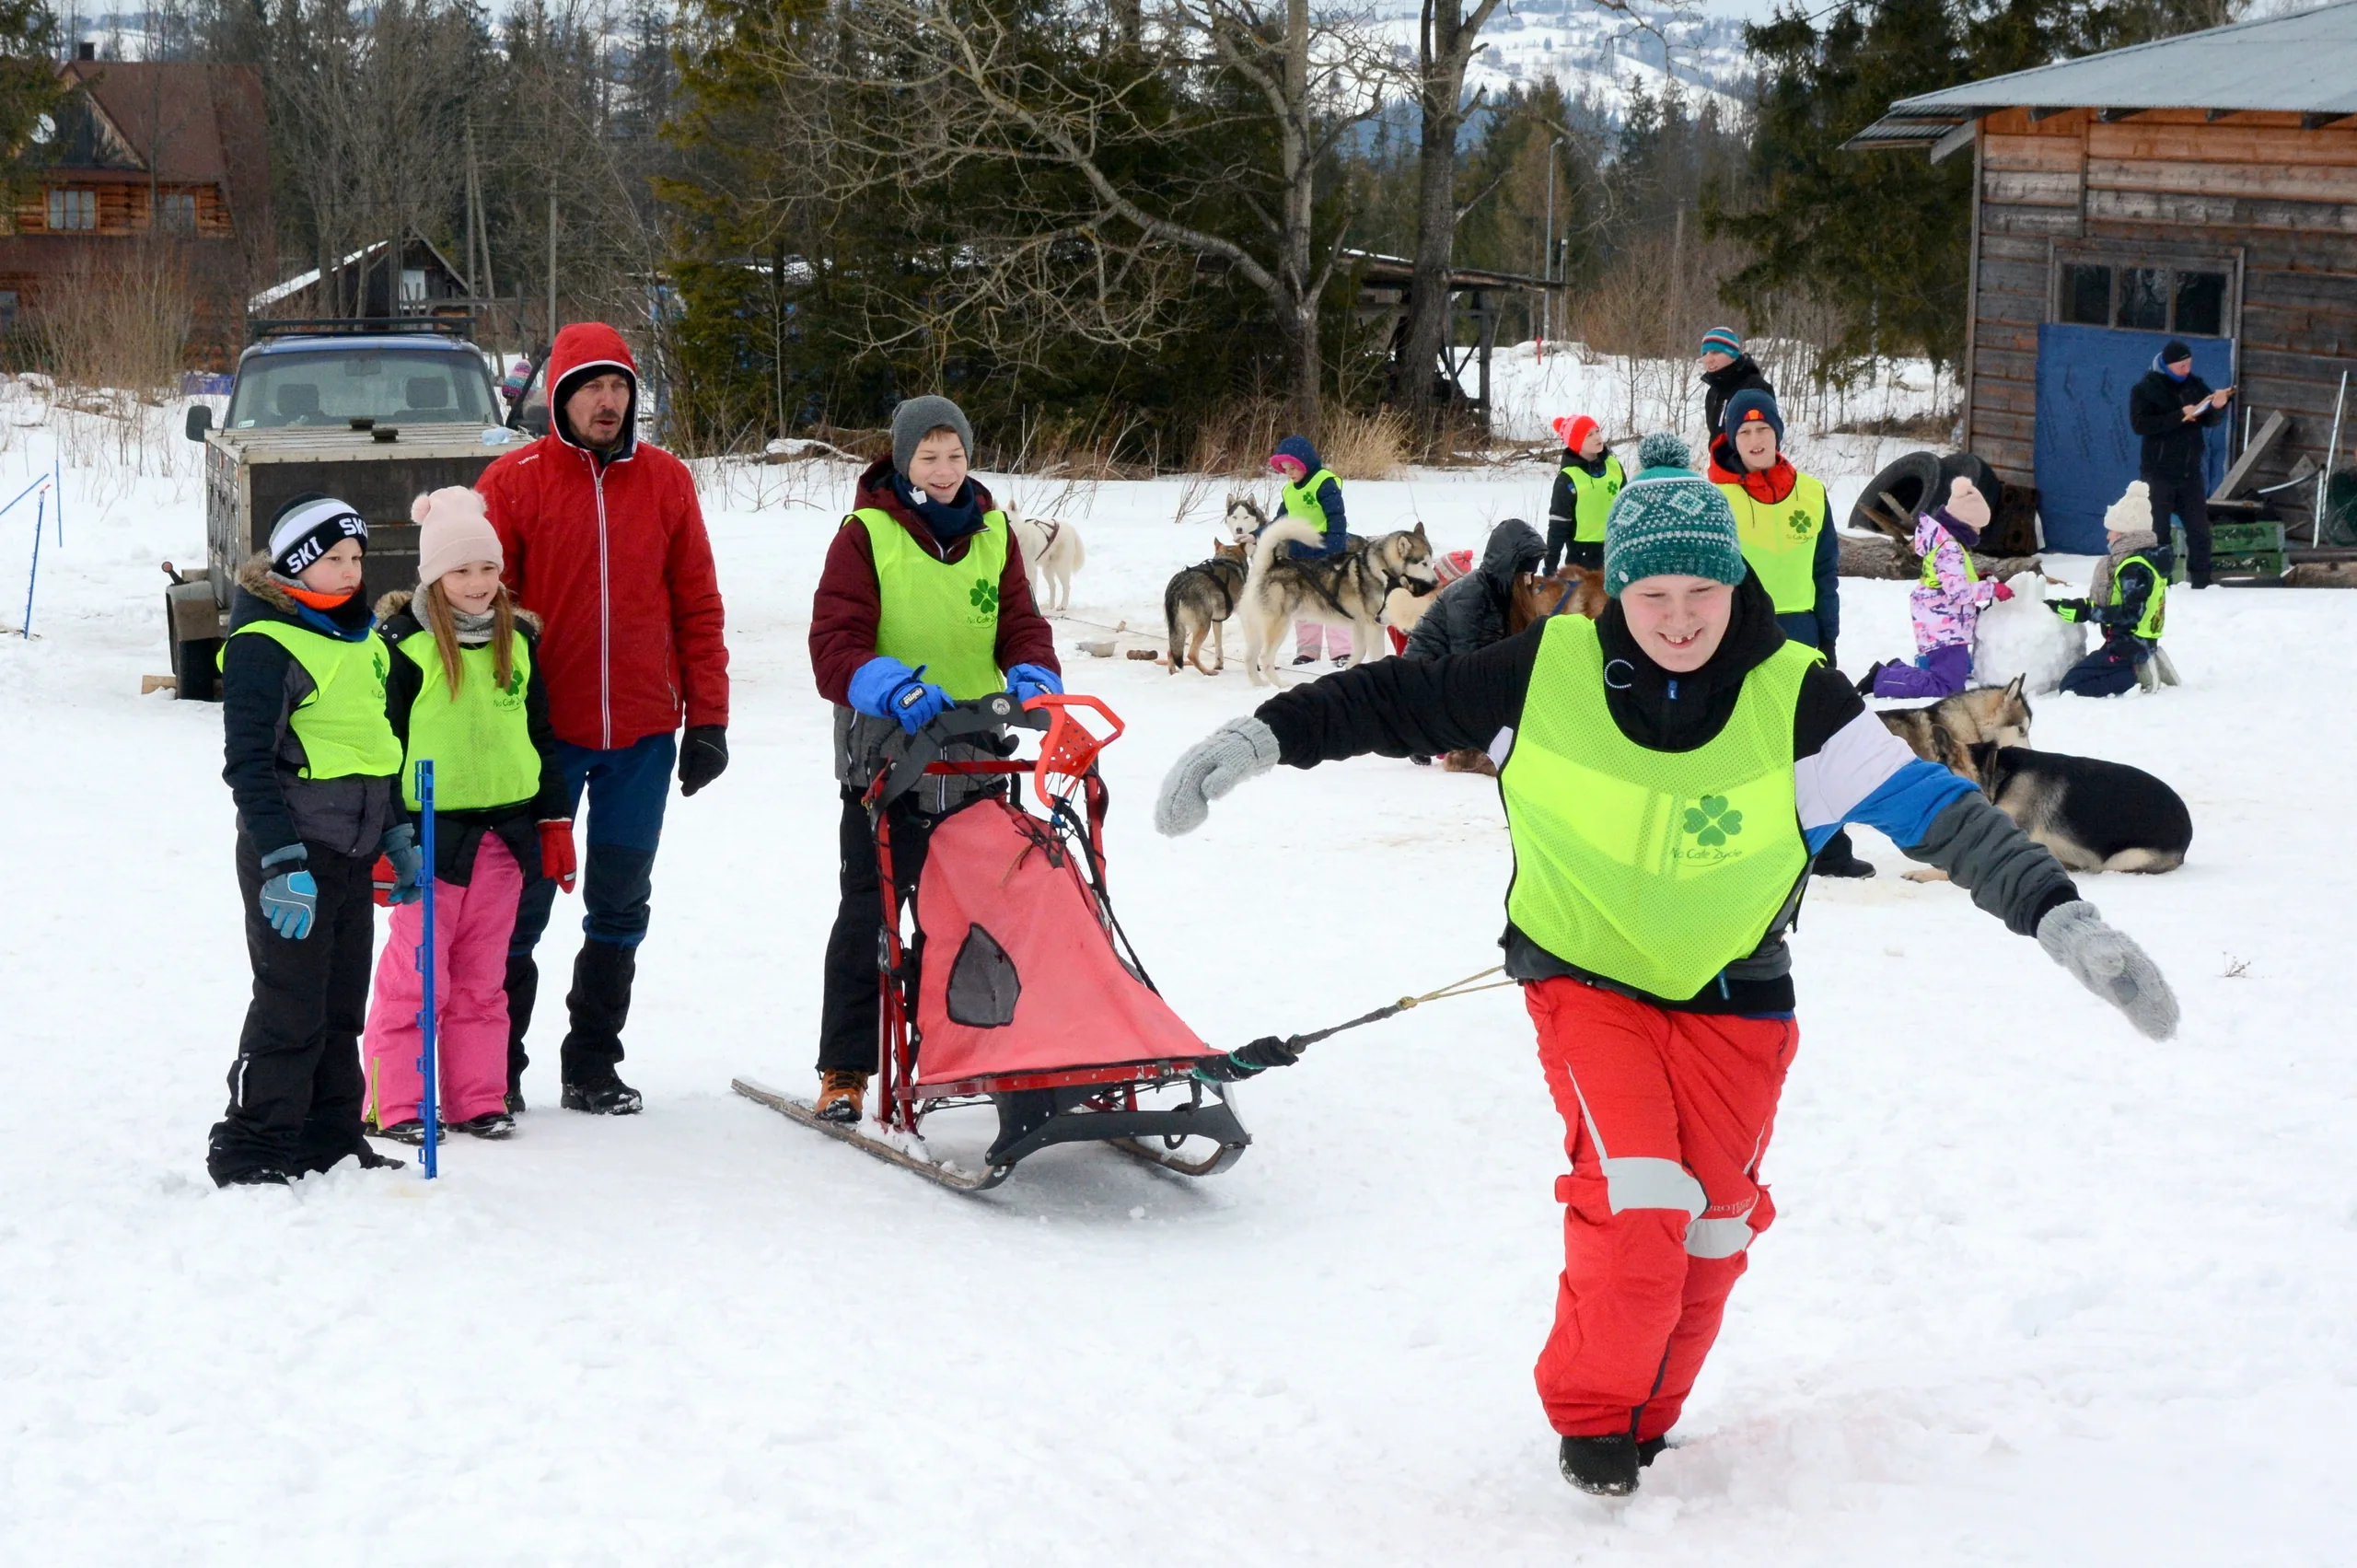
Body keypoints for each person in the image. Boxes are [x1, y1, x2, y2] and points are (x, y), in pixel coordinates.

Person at [1151, 434, 2177, 1496]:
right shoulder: (1546, 668)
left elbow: (1944, 816)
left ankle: (1647, 1415)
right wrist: (1258, 738)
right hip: (1585, 978)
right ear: (1618, 590)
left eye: (1702, 590)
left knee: (1715, 1221)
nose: (1679, 616)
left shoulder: (1797, 696)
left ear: (1733, 584)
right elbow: (1388, 700)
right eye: (1652, 593)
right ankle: (1596, 1417)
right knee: (1640, 1193)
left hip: (1736, 993)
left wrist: (2062, 918)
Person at [477, 322, 731, 1117]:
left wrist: (708, 718)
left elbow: (697, 604)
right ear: (560, 395)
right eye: (591, 386)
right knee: (520, 906)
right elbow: (482, 612)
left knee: (621, 902)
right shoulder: (512, 482)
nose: (608, 401)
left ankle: (592, 1063)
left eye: (619, 385)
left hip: (643, 737)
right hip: (540, 739)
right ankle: (495, 1066)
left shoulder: (667, 481)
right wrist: (489, 723)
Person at [807, 395, 1062, 1124]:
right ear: (903, 459)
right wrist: (893, 684)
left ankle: (981, 1052)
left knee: (982, 912)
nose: (945, 471)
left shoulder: (993, 532)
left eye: (956, 456)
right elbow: (835, 644)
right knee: (871, 914)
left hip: (974, 754)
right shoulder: (866, 535)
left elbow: (1020, 624)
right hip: (886, 759)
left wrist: (1034, 671)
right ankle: (846, 1069)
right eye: (929, 457)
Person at [207, 494, 417, 1187]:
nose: (352, 571)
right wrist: (280, 861)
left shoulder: (366, 642)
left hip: (354, 851)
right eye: (334, 558)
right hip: (294, 855)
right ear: (295, 564)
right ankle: (252, 1146)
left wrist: (397, 834)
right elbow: (248, 764)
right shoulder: (264, 644)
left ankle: (329, 1139)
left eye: (357, 556)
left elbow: (376, 750)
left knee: (340, 1006)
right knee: (290, 1005)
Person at [361, 488, 575, 1144]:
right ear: (433, 574)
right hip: (428, 838)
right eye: (461, 570)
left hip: (504, 837)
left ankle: (476, 1097)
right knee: (417, 978)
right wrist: (386, 837)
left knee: (484, 979)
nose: (478, 583)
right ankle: (394, 1102)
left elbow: (540, 736)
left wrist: (555, 822)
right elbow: (381, 747)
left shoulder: (520, 639)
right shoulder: (402, 645)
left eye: (487, 568)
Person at [1706, 392, 1869, 878]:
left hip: (1801, 632)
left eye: (1763, 430)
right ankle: (1745, 846)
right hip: (1739, 633)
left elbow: (1825, 572)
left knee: (1815, 742)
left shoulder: (1812, 493)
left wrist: (1828, 636)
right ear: (1731, 439)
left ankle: (1829, 848)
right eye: (1744, 432)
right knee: (1742, 743)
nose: (1755, 440)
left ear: (1777, 434)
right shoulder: (1714, 497)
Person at [1864, 475, 2007, 701]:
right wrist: (1992, 590)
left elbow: (1946, 579)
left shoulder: (1944, 541)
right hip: (1945, 626)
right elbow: (1959, 592)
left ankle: (1896, 670)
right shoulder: (1949, 548)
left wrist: (1975, 580)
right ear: (1965, 522)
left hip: (1941, 620)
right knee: (1948, 687)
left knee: (1949, 677)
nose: (1979, 533)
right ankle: (1883, 679)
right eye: (1978, 526)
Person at [2052, 481, 2177, 698]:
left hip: (2127, 646)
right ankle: (2147, 659)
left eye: (2112, 530)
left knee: (2071, 685)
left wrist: (2088, 612)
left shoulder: (2133, 568)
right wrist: (2074, 606)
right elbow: (2118, 602)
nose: (2108, 537)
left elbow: (2131, 614)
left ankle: (2135, 673)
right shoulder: (2146, 560)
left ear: (2126, 534)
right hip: (2135, 642)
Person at [2128, 340, 2230, 589]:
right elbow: (2140, 425)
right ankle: (2161, 585)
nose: (2186, 370)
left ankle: (2203, 584)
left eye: (2189, 364)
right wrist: (2179, 416)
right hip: (2158, 472)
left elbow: (2209, 420)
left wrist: (2218, 407)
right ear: (2167, 365)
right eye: (2181, 366)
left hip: (2189, 471)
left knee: (2200, 531)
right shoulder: (2145, 389)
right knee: (2159, 534)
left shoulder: (2194, 385)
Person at [1405, 519, 1543, 663]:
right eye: (1524, 575)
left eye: (1531, 575)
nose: (1529, 581)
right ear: (1507, 571)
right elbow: (1470, 665)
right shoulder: (1469, 596)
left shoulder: (1500, 594)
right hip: (1426, 671)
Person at [1269, 435, 1353, 667]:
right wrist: (1258, 535)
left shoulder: (1324, 482)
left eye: (1293, 468)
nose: (1289, 473)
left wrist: (1336, 549)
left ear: (1305, 462)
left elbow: (1336, 517)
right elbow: (1280, 521)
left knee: (1333, 600)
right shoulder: (1289, 491)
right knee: (1304, 602)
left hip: (1327, 552)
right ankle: (1308, 651)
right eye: (1285, 469)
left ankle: (1342, 651)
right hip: (1299, 554)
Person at [1545, 415, 1623, 574]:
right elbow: (1558, 524)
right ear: (1577, 442)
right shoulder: (1568, 478)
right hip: (1583, 557)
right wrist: (1550, 565)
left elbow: (1628, 504)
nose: (1598, 437)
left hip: (1617, 547)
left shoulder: (1613, 465)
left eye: (1597, 431)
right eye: (1589, 435)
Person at [1698, 327, 1773, 443]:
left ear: (1732, 354)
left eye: (1715, 352)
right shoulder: (1713, 392)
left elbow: (1766, 441)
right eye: (1704, 353)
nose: (1708, 359)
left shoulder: (1754, 388)